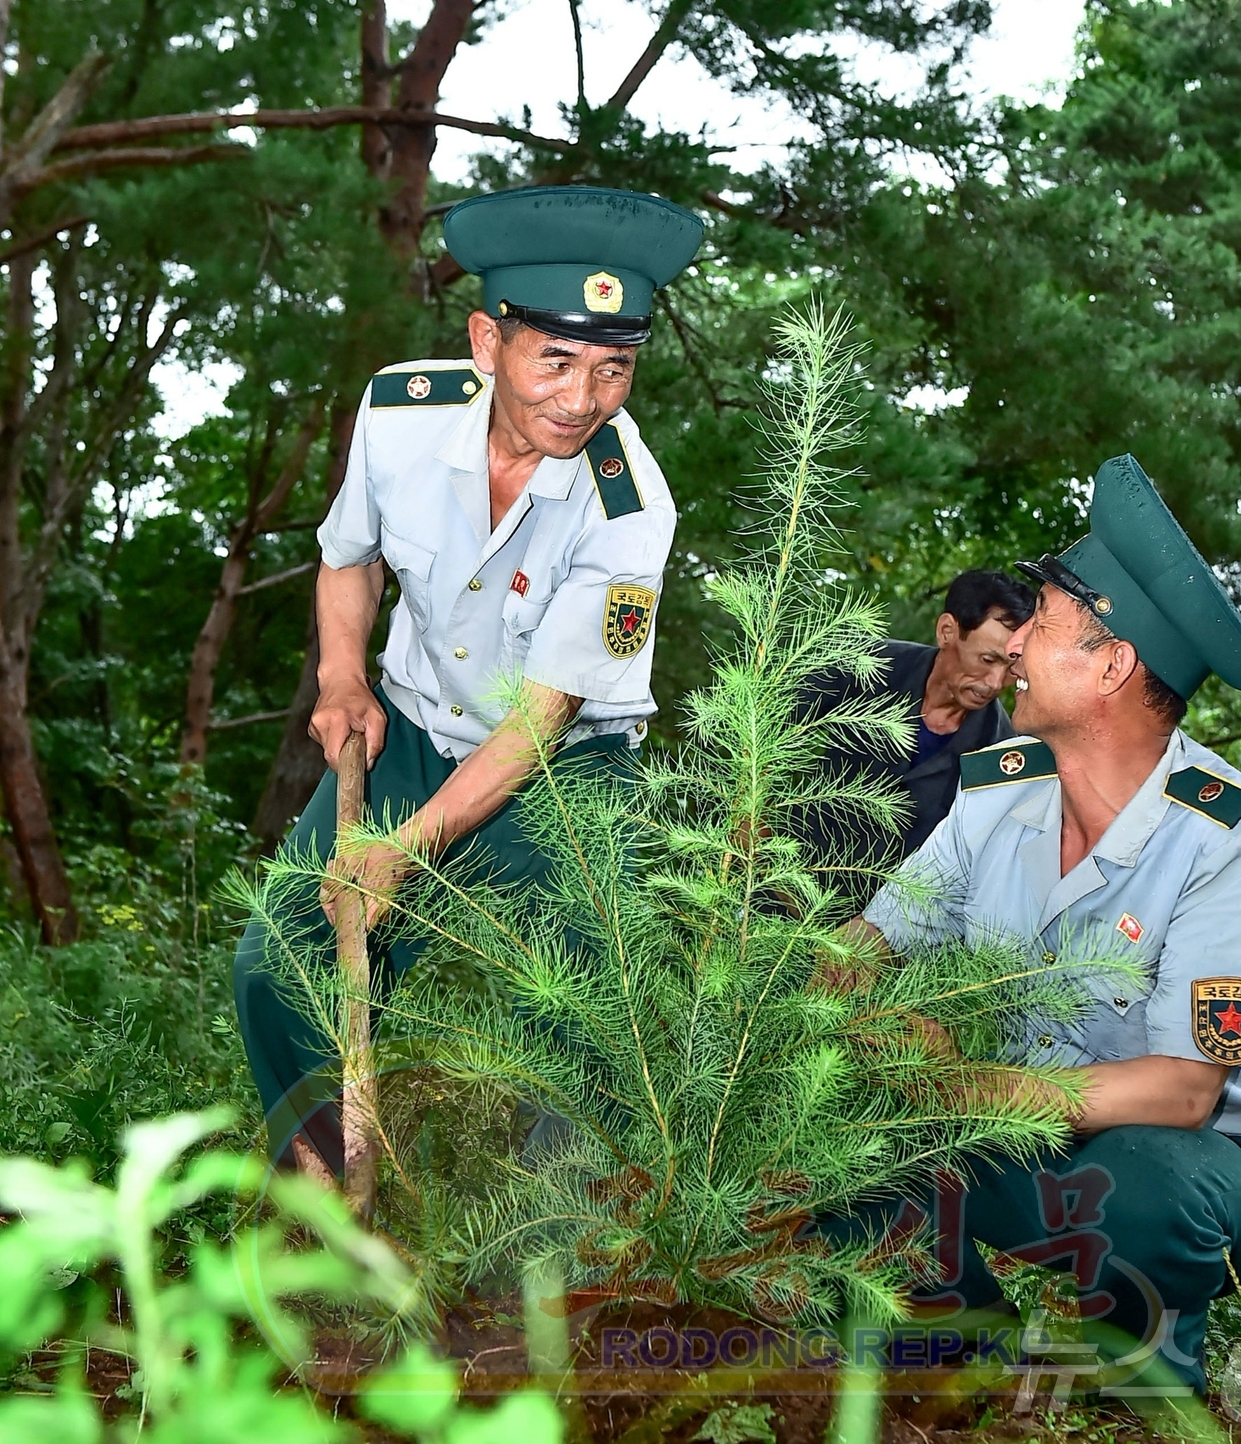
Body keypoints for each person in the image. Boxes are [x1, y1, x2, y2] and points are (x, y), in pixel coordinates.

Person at [234, 185, 704, 1177]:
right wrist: (339, 675)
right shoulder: (400, 416)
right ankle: (324, 1176)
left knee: (593, 996)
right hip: (408, 731)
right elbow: (349, 557)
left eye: (613, 368)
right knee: (278, 957)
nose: (581, 399)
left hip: (563, 772)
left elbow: (541, 718)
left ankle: (548, 1244)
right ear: (488, 342)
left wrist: (405, 846)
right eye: (556, 360)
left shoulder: (629, 507)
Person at [825, 455, 1241, 1394]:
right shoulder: (997, 794)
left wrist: (959, 1081)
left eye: (1040, 628)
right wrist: (809, 994)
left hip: (1204, 1159)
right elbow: (873, 942)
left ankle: (1144, 1354)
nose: (1013, 651)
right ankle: (964, 1336)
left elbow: (1181, 1094)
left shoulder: (1233, 837)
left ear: (1113, 667)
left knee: (1142, 1188)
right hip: (1026, 1128)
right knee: (843, 1128)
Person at [799, 570, 1033, 907]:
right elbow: (764, 725)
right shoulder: (866, 667)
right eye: (987, 659)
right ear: (947, 632)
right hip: (779, 891)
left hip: (880, 938)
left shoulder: (1000, 755)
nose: (995, 683)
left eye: (1011, 666)